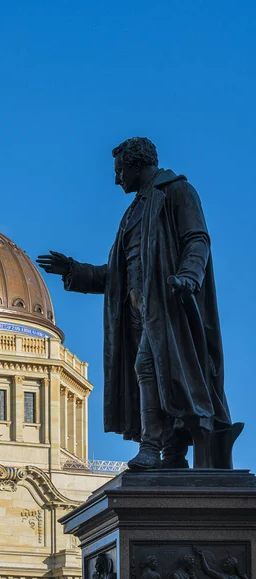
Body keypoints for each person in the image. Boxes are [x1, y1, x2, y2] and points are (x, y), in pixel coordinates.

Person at [37, 137, 236, 470]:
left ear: (137, 165)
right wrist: (74, 270)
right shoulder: (134, 212)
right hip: (136, 313)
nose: (117, 179)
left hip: (168, 306)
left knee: (152, 368)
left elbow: (197, 239)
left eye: (119, 171)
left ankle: (152, 446)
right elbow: (117, 274)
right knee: (157, 375)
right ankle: (172, 450)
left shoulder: (176, 192)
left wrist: (188, 276)